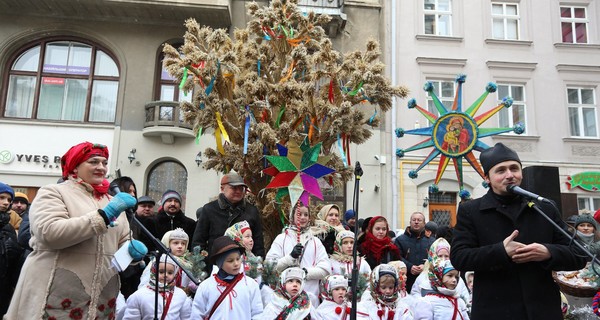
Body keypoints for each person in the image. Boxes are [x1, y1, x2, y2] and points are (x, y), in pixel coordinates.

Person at [5, 141, 146, 320]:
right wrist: (104, 216)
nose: (101, 167)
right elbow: (49, 233)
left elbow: (123, 240)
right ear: (75, 166)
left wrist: (132, 251)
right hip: (56, 295)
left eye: (104, 163)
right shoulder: (53, 192)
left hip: (101, 302)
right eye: (93, 162)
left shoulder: (112, 200)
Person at [451, 142, 587, 320]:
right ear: (487, 178)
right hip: (494, 311)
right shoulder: (471, 211)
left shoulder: (544, 207)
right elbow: (460, 257)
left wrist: (548, 252)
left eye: (514, 168)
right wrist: (501, 251)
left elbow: (579, 254)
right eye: (500, 171)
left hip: (543, 310)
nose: (510, 175)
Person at [266, 203, 331, 307]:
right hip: (285, 301)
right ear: (292, 216)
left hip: (309, 300)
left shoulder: (316, 242)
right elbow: (270, 267)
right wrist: (290, 257)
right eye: (299, 214)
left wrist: (305, 272)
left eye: (306, 214)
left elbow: (326, 269)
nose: (303, 217)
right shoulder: (281, 239)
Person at [192, 172, 265, 262]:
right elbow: (198, 242)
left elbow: (258, 244)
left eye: (241, 188)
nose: (238, 191)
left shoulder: (251, 211)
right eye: (234, 188)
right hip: (215, 265)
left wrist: (258, 265)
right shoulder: (209, 209)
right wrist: (202, 266)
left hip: (245, 267)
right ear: (222, 189)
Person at [191, 236, 263, 319]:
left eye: (238, 259)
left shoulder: (250, 285)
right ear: (220, 263)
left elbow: (257, 313)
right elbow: (196, 314)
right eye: (230, 261)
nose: (236, 263)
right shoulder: (206, 286)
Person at [123, 254, 192, 320]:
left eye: (170, 273)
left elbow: (186, 317)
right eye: (161, 272)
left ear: (175, 274)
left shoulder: (180, 294)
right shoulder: (139, 295)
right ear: (153, 271)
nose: (166, 275)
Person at [410, 238, 470, 306]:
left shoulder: (457, 279)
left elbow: (466, 299)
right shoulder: (423, 277)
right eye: (440, 256)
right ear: (432, 256)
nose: (443, 259)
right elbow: (414, 297)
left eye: (446, 256)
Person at [393, 212, 435, 293]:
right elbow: (397, 257)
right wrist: (410, 267)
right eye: (414, 220)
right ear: (410, 222)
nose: (416, 222)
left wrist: (425, 266)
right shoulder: (400, 240)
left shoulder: (431, 241)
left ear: (424, 223)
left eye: (419, 220)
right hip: (406, 281)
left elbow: (436, 258)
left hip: (426, 282)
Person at [0, 182, 23, 317]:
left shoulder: (8, 227)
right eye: (1, 197)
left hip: (4, 287)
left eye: (9, 199)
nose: (6, 202)